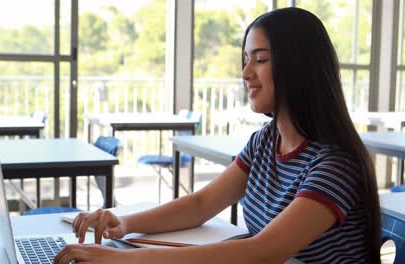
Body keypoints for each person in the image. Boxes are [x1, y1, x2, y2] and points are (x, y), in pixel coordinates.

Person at [54, 7, 381, 264]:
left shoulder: (335, 166)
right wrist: (124, 223)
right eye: (245, 59)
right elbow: (200, 204)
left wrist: (131, 259)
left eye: (261, 59)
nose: (245, 73)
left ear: (298, 67)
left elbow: (262, 253)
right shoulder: (265, 141)